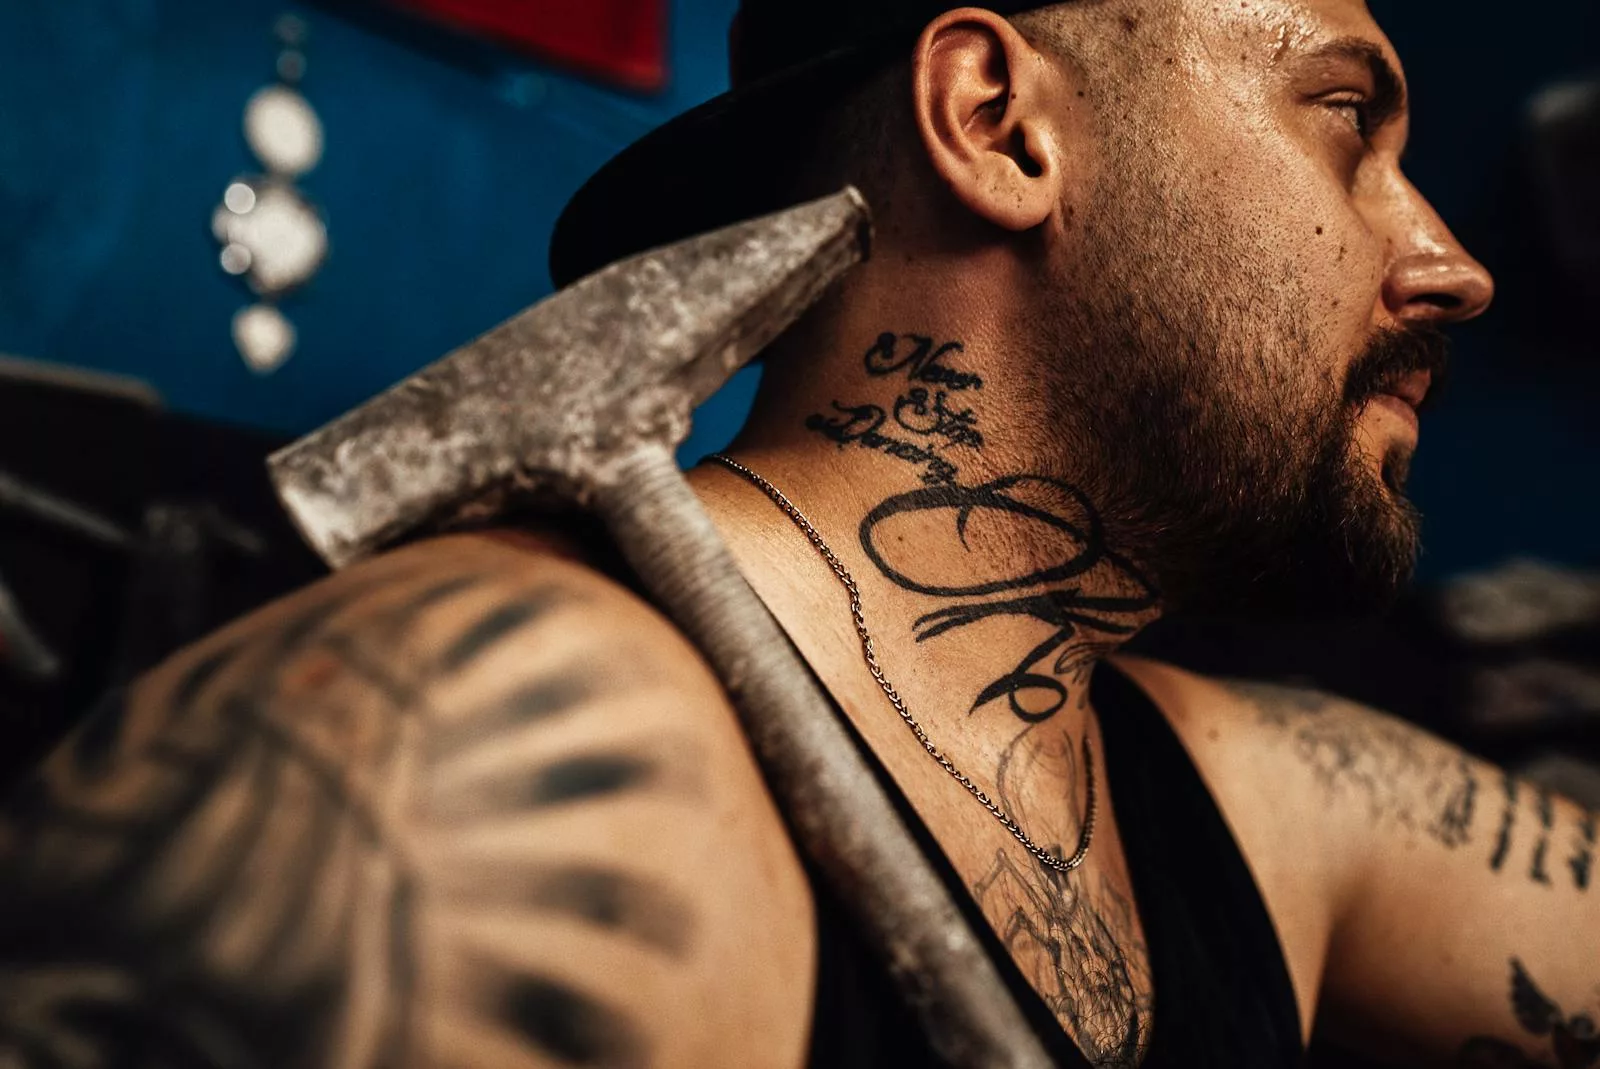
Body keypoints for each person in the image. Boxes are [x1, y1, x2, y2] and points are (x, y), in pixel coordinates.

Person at [1, 1, 1594, 1067]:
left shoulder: (1268, 804)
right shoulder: (490, 752)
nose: (1453, 263)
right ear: (999, 123)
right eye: (1343, 121)